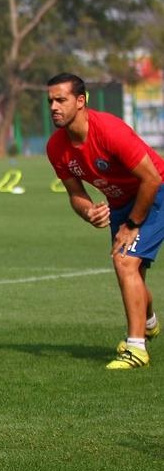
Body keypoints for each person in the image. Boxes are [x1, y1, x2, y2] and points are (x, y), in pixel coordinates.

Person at [46, 73, 162, 369]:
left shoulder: (109, 131)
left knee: (124, 261)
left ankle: (136, 349)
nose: (54, 107)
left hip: (156, 190)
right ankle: (147, 323)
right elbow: (76, 193)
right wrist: (88, 212)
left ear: (81, 101)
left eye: (61, 100)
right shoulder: (56, 147)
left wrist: (132, 225)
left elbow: (151, 178)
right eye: (50, 101)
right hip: (122, 200)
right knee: (131, 270)